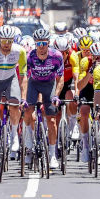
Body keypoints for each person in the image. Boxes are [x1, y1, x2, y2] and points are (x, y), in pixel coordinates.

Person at [0, 25, 26, 171]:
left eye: (9, 41)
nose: (6, 44)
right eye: (4, 41)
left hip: (10, 79)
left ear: (13, 40)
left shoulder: (20, 51)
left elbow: (23, 76)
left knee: (15, 104)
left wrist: (23, 96)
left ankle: (14, 135)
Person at [23, 29, 64, 169]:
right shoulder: (29, 56)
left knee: (52, 119)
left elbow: (60, 79)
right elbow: (25, 78)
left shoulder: (57, 56)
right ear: (35, 44)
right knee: (28, 110)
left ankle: (52, 154)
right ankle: (29, 142)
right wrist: (24, 98)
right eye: (38, 43)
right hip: (33, 83)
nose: (41, 46)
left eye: (44, 43)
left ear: (48, 43)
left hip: (49, 84)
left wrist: (56, 96)